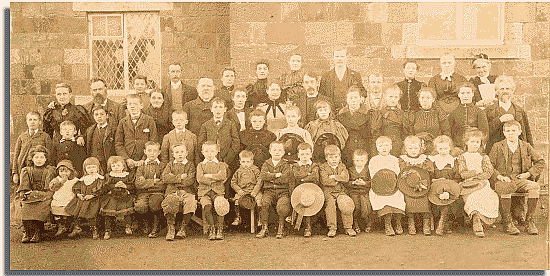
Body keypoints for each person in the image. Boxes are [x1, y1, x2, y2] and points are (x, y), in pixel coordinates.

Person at [489, 121, 546, 235]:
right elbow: (489, 166)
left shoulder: (526, 146)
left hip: (520, 179)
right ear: (504, 133)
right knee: (506, 188)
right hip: (503, 180)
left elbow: (540, 162)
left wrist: (528, 174)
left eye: (514, 130)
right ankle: (508, 221)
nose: (511, 133)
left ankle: (529, 221)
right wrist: (499, 176)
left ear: (519, 132)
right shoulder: (497, 146)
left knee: (534, 187)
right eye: (508, 131)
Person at [456, 130, 499, 238]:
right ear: (466, 142)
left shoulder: (484, 157)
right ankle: (476, 221)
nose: (475, 144)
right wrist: (475, 172)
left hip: (482, 183)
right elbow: (463, 174)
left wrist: (478, 177)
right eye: (472, 141)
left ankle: (479, 220)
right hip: (468, 185)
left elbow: (489, 172)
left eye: (477, 142)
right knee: (473, 197)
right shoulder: (462, 157)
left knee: (489, 195)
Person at [17, 145, 56, 243]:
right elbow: (24, 185)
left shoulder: (49, 170)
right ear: (32, 158)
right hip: (30, 195)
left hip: (44, 195)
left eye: (42, 157)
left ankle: (37, 231)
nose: (39, 160)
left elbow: (49, 187)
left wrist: (43, 193)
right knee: (26, 207)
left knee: (40, 207)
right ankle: (26, 232)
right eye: (36, 157)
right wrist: (23, 193)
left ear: (46, 159)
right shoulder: (27, 170)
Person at [485, 76, 533, 154]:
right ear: (496, 92)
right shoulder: (488, 111)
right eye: (502, 89)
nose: (505, 91)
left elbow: (527, 134)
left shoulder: (520, 111)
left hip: (517, 152)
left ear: (512, 91)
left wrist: (530, 154)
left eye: (508, 89)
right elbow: (485, 132)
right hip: (495, 153)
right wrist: (499, 120)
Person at [398, 136, 435, 235]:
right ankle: (411, 222)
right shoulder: (403, 160)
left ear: (420, 148)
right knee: (409, 199)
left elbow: (429, 174)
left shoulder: (425, 160)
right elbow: (401, 174)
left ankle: (426, 223)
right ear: (406, 149)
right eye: (410, 148)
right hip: (407, 186)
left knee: (425, 198)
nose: (413, 151)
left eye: (416, 148)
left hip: (423, 185)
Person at [368, 136, 405, 236]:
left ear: (391, 147)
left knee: (399, 197)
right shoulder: (373, 160)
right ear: (377, 148)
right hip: (379, 186)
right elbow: (373, 175)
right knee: (383, 200)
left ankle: (398, 223)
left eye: (386, 145)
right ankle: (387, 224)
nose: (384, 148)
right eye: (381, 146)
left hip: (393, 186)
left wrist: (392, 182)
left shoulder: (395, 160)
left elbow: (398, 174)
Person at [161, 144, 198, 241]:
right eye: (177, 152)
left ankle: (183, 228)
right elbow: (164, 178)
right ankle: (171, 228)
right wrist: (180, 177)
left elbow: (190, 180)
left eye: (182, 152)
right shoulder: (170, 164)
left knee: (191, 201)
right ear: (173, 154)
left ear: (186, 153)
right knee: (170, 201)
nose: (180, 154)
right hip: (172, 192)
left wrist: (173, 178)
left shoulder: (190, 165)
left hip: (186, 192)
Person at [256, 141, 292, 239]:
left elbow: (285, 178)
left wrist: (270, 177)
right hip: (269, 191)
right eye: (274, 150)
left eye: (280, 150)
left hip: (282, 191)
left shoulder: (285, 164)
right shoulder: (266, 163)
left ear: (284, 152)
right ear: (270, 151)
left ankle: (281, 228)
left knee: (282, 205)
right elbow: (263, 175)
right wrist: (276, 175)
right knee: (264, 204)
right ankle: (264, 228)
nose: (277, 152)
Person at [198, 97, 240, 177]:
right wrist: (209, 158)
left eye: (221, 107)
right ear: (211, 109)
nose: (218, 110)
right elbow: (201, 144)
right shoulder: (206, 125)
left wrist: (226, 160)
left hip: (227, 160)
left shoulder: (230, 124)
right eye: (215, 107)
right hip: (210, 161)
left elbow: (236, 144)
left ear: (225, 109)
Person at [319, 145, 355, 237]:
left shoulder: (342, 166)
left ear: (339, 157)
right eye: (331, 157)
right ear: (326, 158)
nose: (334, 159)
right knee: (330, 206)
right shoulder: (323, 167)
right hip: (329, 192)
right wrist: (339, 179)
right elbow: (325, 180)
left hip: (340, 191)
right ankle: (332, 228)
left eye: (336, 157)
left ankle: (348, 227)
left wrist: (334, 177)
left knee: (346, 204)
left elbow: (346, 178)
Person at [115, 94, 158, 171]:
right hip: (128, 159)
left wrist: (144, 159)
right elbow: (118, 143)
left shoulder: (149, 120)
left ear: (141, 106)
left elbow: (153, 141)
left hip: (144, 159)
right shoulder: (122, 122)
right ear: (127, 106)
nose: (132, 106)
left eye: (135, 104)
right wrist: (127, 159)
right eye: (130, 104)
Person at [65, 157, 105, 240]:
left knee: (92, 214)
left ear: (98, 168)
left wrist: (93, 195)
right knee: (76, 212)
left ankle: (94, 229)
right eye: (89, 167)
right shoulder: (83, 179)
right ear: (85, 169)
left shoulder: (99, 179)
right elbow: (76, 188)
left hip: (94, 199)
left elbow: (102, 190)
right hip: (83, 199)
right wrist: (78, 194)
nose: (91, 170)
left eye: (94, 167)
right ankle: (77, 227)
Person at [428, 135, 461, 236]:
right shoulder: (432, 160)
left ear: (450, 147)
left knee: (448, 197)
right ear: (436, 148)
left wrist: (448, 185)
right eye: (440, 148)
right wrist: (438, 181)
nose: (443, 151)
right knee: (439, 196)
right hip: (435, 188)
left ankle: (443, 222)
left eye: (445, 148)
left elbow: (457, 177)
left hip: (451, 188)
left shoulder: (453, 160)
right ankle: (443, 222)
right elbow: (429, 177)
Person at [196, 141, 229, 240]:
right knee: (207, 206)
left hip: (218, 191)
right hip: (204, 192)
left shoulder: (221, 165)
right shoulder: (200, 165)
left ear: (217, 151)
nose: (209, 154)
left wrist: (209, 176)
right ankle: (212, 228)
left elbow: (223, 176)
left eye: (212, 151)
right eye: (206, 151)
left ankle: (219, 228)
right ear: (202, 152)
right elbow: (200, 179)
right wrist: (216, 178)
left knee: (220, 204)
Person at [134, 141, 166, 238]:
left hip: (157, 192)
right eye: (149, 150)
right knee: (140, 206)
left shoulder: (162, 166)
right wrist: (153, 181)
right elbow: (138, 184)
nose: (152, 153)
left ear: (159, 152)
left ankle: (155, 227)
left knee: (155, 202)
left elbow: (163, 184)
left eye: (155, 151)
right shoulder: (141, 166)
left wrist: (146, 182)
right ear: (145, 151)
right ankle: (146, 223)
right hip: (143, 193)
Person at [406, 87, 451, 155]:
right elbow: (410, 134)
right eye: (422, 98)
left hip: (436, 150)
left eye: (428, 98)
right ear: (419, 99)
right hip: (416, 150)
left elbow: (446, 134)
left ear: (433, 99)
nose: (425, 100)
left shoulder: (439, 114)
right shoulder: (413, 115)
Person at [319, 47, 366, 112]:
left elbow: (362, 91)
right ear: (333, 58)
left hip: (349, 112)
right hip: (331, 112)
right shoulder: (326, 76)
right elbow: (321, 95)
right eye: (337, 56)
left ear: (346, 58)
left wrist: (362, 97)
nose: (339, 59)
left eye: (342, 56)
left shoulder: (355, 75)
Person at [12, 111, 53, 185]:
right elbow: (16, 156)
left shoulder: (45, 136)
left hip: (39, 171)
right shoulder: (22, 137)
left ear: (39, 122)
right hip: (22, 169)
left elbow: (49, 155)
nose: (32, 122)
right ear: (26, 122)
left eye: (35, 120)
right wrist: (15, 173)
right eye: (30, 120)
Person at [100, 156, 135, 240]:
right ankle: (107, 230)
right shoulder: (109, 176)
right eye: (113, 166)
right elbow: (105, 187)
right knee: (108, 210)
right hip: (112, 196)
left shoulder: (127, 175)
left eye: (118, 165)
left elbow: (132, 186)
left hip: (125, 196)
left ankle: (128, 226)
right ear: (110, 167)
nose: (116, 168)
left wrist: (125, 186)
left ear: (123, 166)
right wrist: (113, 186)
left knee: (127, 209)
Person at [290, 143, 320, 237]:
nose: (305, 157)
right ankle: (299, 225)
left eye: (307, 154)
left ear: (311, 154)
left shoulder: (314, 165)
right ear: (298, 155)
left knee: (309, 201)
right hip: (299, 190)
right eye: (302, 154)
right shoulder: (295, 166)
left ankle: (308, 226)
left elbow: (315, 177)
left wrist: (302, 178)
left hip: (312, 189)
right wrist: (308, 174)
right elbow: (296, 176)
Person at [448, 82, 489, 150]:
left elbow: (484, 132)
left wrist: (479, 146)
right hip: (458, 148)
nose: (465, 96)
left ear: (472, 94)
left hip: (475, 147)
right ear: (458, 95)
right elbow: (449, 132)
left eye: (468, 93)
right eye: (463, 93)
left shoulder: (479, 112)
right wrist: (453, 147)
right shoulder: (453, 113)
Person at [338, 86, 370, 167]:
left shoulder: (368, 114)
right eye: (350, 98)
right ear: (347, 100)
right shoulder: (341, 115)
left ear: (361, 99)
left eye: (356, 97)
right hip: (347, 148)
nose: (353, 100)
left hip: (363, 148)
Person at [370, 86, 407, 157]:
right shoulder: (379, 113)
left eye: (396, 97)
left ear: (399, 98)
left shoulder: (402, 114)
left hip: (398, 146)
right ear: (385, 97)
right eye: (390, 96)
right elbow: (375, 134)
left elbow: (405, 133)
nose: (393, 99)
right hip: (384, 146)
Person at [230, 150, 262, 227]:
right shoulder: (238, 171)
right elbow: (233, 182)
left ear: (252, 161)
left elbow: (260, 181)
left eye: (248, 162)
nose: (246, 164)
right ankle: (238, 217)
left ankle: (260, 218)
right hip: (243, 191)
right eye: (243, 162)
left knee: (259, 200)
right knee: (236, 200)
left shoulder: (255, 170)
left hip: (254, 190)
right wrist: (239, 190)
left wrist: (255, 191)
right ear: (240, 161)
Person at [346, 149, 372, 234]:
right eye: (357, 160)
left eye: (362, 160)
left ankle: (368, 223)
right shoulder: (351, 170)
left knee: (366, 209)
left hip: (364, 192)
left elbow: (372, 181)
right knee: (355, 207)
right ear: (353, 160)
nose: (359, 162)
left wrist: (364, 183)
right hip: (354, 192)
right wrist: (353, 182)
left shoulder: (368, 169)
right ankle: (355, 224)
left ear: (366, 160)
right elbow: (346, 182)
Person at [85, 106, 117, 174]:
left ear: (107, 115)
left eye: (102, 114)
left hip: (108, 163)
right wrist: (78, 137)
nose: (99, 117)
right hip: (94, 165)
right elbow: (83, 137)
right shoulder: (90, 130)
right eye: (96, 114)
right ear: (93, 116)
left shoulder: (114, 129)